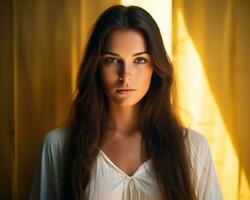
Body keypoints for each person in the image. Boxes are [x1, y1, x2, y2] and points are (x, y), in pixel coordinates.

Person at [29, 5, 223, 200]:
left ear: (155, 66)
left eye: (139, 60)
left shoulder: (192, 148)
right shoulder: (58, 146)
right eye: (112, 60)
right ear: (96, 66)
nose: (125, 76)